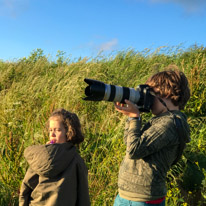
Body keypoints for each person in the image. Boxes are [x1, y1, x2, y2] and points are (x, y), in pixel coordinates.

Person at [113, 66, 191, 206]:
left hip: (142, 200)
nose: (146, 98)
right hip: (128, 196)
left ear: (165, 94)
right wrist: (131, 118)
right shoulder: (161, 119)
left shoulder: (170, 123)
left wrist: (135, 117)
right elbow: (129, 142)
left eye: (150, 93)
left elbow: (134, 150)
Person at [19, 108, 90, 206]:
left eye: (57, 130)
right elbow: (83, 196)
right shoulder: (76, 160)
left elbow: (25, 189)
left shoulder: (40, 156)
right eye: (50, 130)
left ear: (69, 132)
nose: (52, 134)